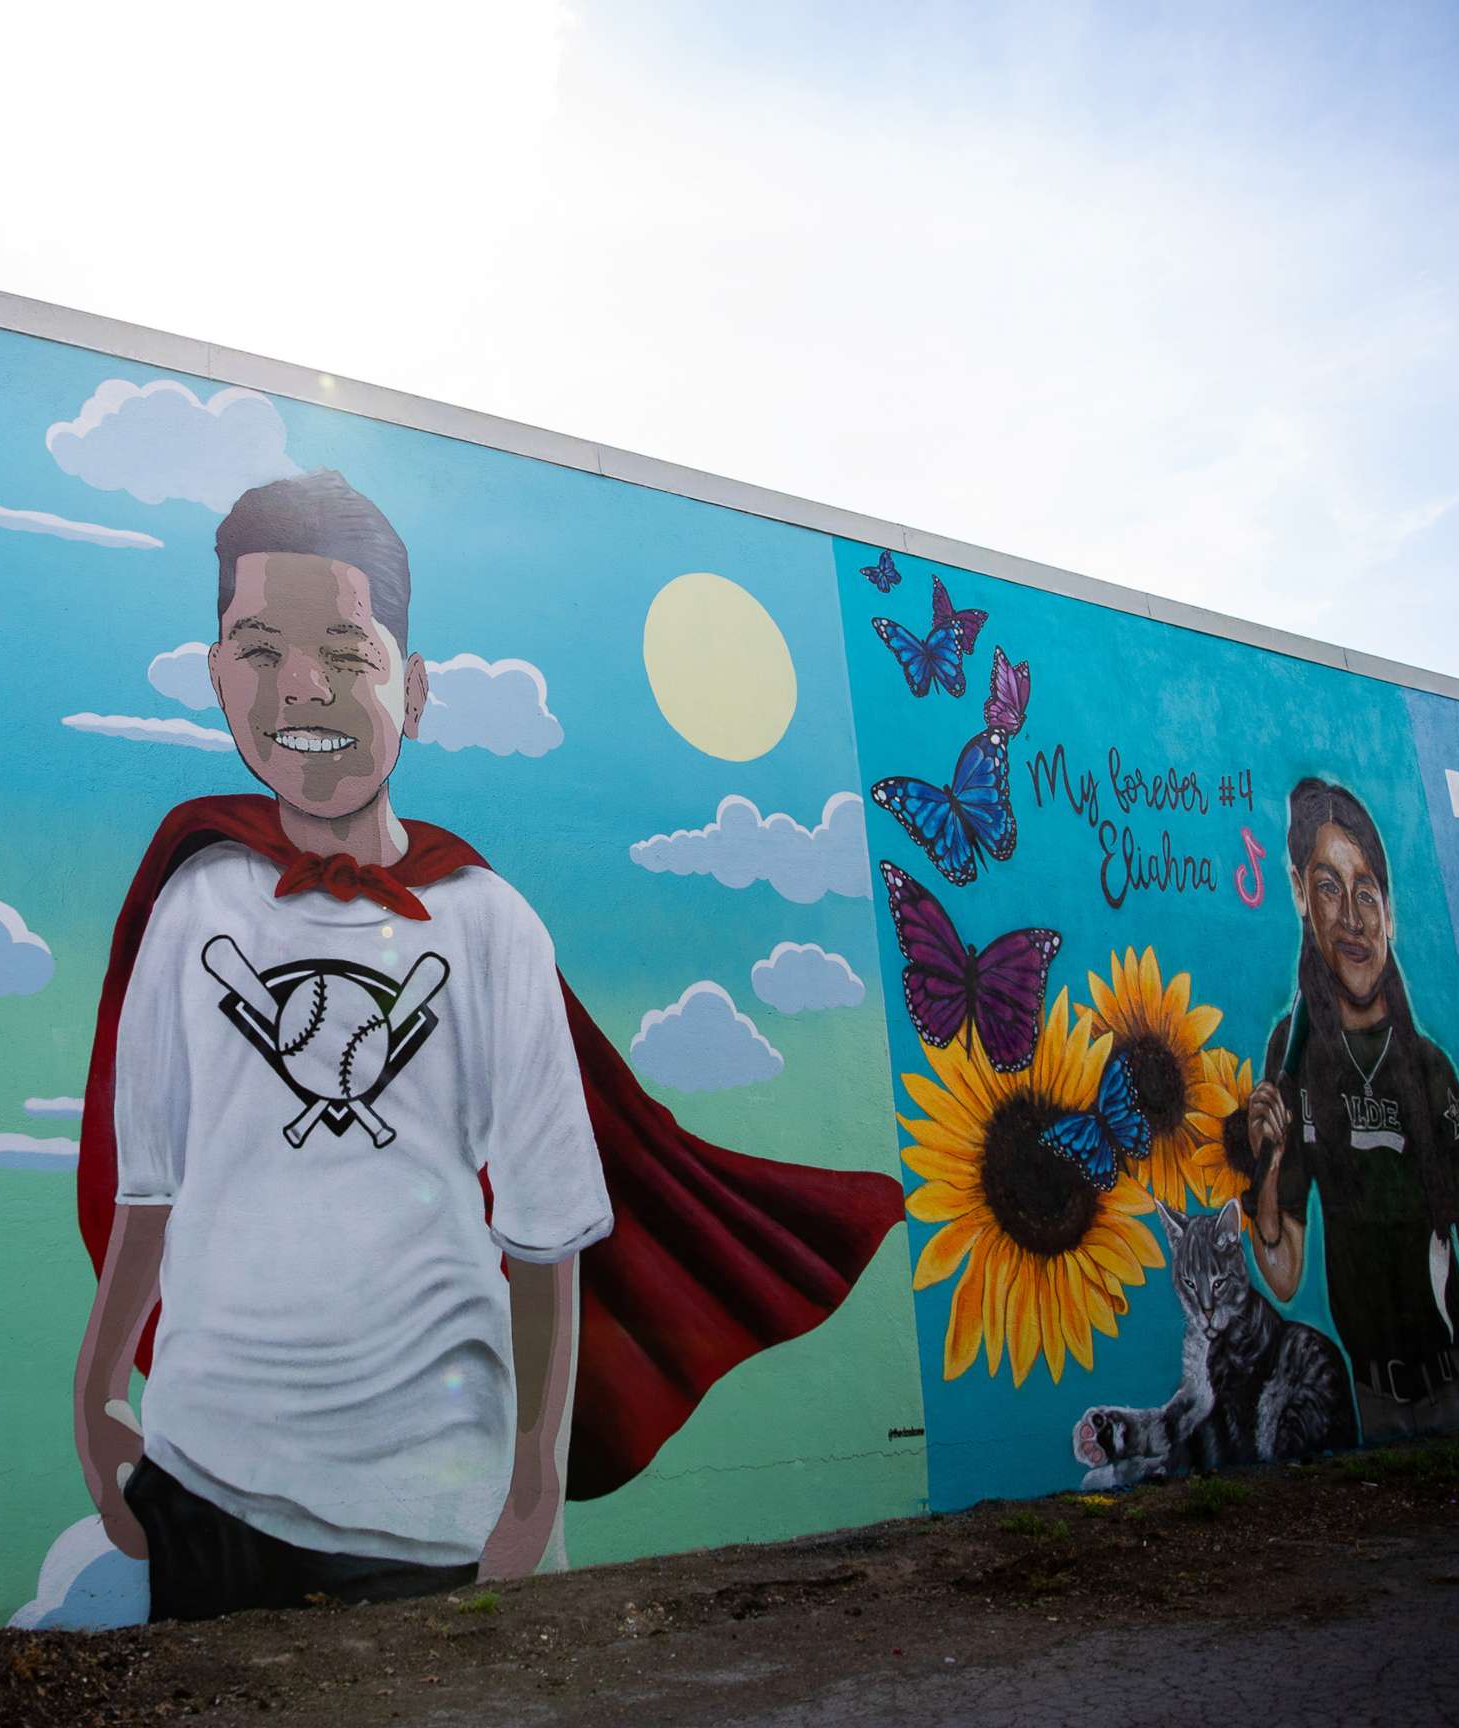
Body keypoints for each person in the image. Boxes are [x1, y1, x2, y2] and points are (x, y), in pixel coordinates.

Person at [71, 471, 901, 1620]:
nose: (300, 687)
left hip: (429, 1509)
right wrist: (99, 1385)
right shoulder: (194, 905)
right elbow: (149, 1190)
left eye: (346, 653)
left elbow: (547, 1238)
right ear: (216, 675)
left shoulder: (484, 924)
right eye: (257, 652)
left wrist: (532, 1487)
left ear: (412, 690)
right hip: (205, 1479)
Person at [1231, 778, 1459, 1441]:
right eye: (1329, 887)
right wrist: (1269, 1168)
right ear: (1299, 896)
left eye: (1366, 890)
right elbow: (1282, 1277)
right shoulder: (1293, 1055)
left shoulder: (1430, 1070)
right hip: (1374, 1408)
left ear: (1389, 912)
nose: (1353, 918)